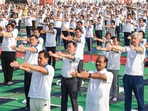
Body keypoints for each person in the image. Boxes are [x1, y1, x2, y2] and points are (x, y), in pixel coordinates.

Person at [110, 32, 145, 111]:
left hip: (137, 77)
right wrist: (113, 46)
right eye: (132, 38)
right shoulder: (129, 48)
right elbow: (122, 48)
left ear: (139, 40)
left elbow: (141, 49)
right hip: (127, 76)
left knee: (140, 100)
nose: (133, 40)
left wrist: (135, 48)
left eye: (135, 38)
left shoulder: (142, 47)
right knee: (127, 100)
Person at [12, 35, 42, 109]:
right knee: (27, 88)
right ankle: (28, 104)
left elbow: (34, 50)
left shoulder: (39, 46)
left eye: (33, 40)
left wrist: (24, 47)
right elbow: (24, 51)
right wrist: (16, 48)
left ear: (37, 40)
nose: (31, 41)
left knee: (33, 88)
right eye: (30, 40)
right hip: (26, 69)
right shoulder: (29, 47)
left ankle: (34, 104)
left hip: (34, 70)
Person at [49, 41, 80, 111]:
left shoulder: (76, 56)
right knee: (63, 99)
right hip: (64, 80)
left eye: (70, 47)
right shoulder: (65, 56)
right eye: (67, 47)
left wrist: (62, 54)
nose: (68, 48)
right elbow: (59, 56)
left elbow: (71, 57)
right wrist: (52, 54)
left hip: (72, 80)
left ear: (75, 48)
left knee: (73, 99)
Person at [97, 37, 123, 101]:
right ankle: (111, 94)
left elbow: (115, 50)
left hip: (115, 67)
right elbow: (107, 49)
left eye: (115, 41)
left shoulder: (119, 48)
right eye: (113, 41)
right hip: (109, 66)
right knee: (109, 81)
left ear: (118, 42)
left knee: (115, 82)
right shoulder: (111, 47)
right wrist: (101, 48)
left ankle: (116, 95)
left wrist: (111, 46)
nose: (114, 42)